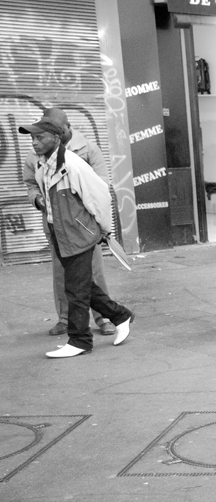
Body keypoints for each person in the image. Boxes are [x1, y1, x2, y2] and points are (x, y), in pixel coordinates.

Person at [19, 114, 134, 358]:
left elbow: (100, 194)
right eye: (32, 138)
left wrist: (105, 229)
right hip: (60, 233)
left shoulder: (72, 163)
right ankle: (120, 315)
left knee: (76, 290)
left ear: (56, 138)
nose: (34, 142)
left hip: (78, 233)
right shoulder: (44, 164)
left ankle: (80, 340)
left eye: (39, 138)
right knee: (82, 285)